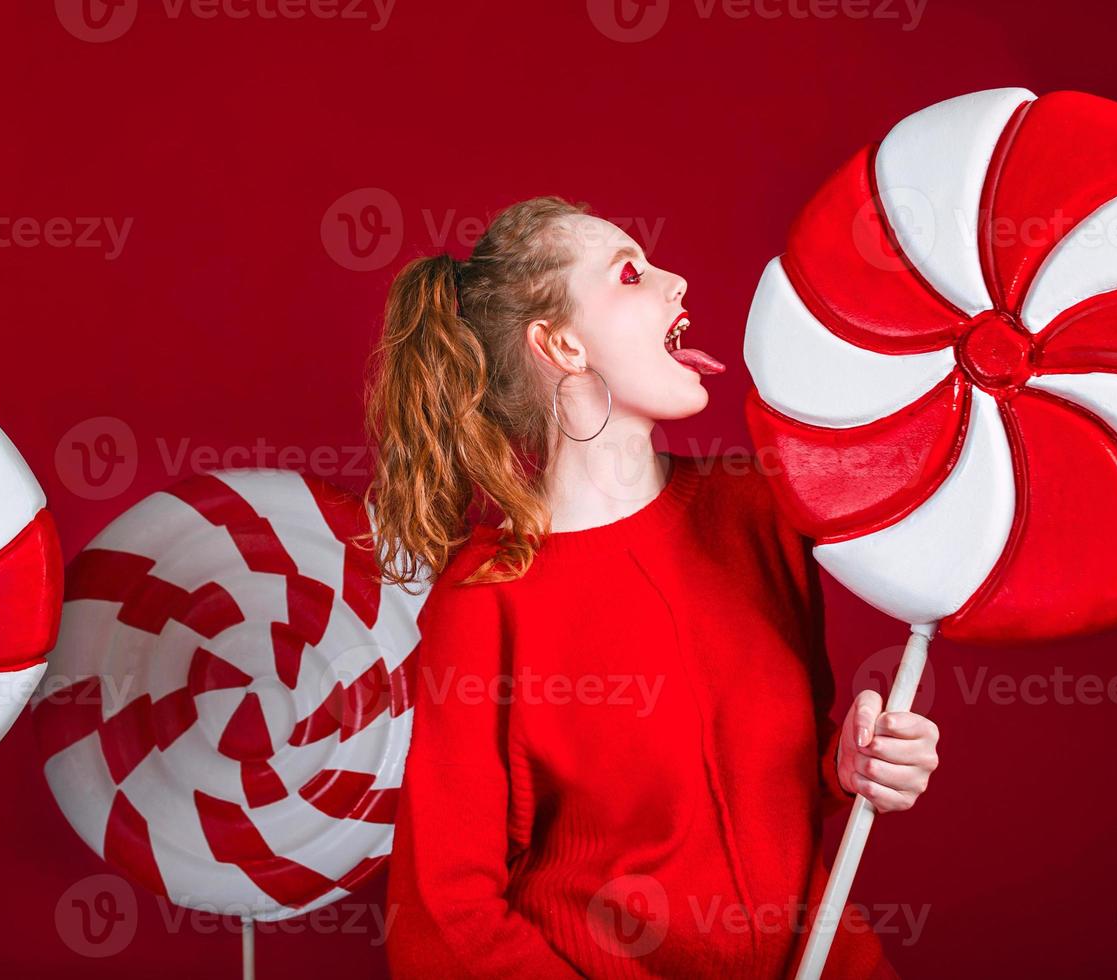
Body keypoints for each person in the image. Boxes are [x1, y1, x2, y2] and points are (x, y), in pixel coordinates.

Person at [360, 196, 940, 978]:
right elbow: (443, 916)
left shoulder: (758, 510)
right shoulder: (486, 598)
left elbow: (762, 792)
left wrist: (851, 766)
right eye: (631, 274)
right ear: (560, 344)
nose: (676, 283)